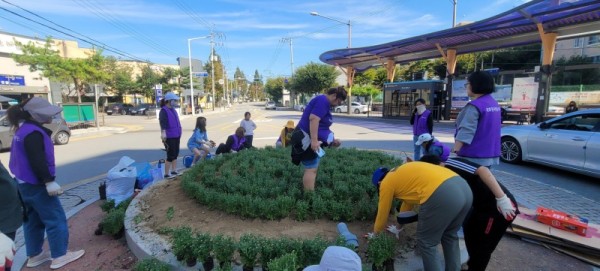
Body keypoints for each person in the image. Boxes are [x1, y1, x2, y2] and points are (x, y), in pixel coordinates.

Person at [7, 97, 85, 269]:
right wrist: (48, 182)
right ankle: (59, 255)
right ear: (36, 115)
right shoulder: (34, 133)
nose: (52, 116)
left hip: (22, 183)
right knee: (55, 218)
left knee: (33, 220)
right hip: (37, 184)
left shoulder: (22, 130)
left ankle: (34, 255)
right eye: (48, 113)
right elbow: (37, 160)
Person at [420, 154, 518, 271]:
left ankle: (476, 268)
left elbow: (483, 170)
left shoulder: (451, 164)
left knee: (483, 246)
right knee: (470, 232)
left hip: (498, 209)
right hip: (479, 207)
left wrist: (502, 199)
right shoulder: (442, 177)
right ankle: (472, 265)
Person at [371, 162, 472, 271]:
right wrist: (398, 228)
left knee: (427, 243)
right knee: (449, 235)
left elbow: (383, 212)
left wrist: (376, 234)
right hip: (464, 188)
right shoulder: (400, 174)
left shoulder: (386, 183)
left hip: (442, 194)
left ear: (379, 183)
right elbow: (406, 206)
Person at [290, 87, 346, 191]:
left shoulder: (324, 102)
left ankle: (309, 192)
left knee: (312, 168)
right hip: (306, 138)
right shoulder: (323, 101)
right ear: (334, 96)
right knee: (310, 168)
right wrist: (314, 141)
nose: (338, 104)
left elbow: (322, 126)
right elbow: (314, 119)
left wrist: (332, 140)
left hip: (307, 137)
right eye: (339, 101)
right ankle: (309, 196)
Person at [453, 71, 501, 167]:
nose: (466, 87)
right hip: (489, 154)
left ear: (474, 85)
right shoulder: (493, 104)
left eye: (468, 84)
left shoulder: (475, 106)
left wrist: (455, 151)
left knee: (469, 182)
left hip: (472, 155)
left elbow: (467, 130)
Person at [160, 92, 182, 179]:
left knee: (176, 153)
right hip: (169, 136)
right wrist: (163, 133)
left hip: (176, 134)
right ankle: (166, 173)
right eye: (175, 100)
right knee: (170, 155)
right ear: (169, 101)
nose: (176, 102)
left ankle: (174, 170)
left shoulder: (173, 110)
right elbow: (163, 123)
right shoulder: (164, 111)